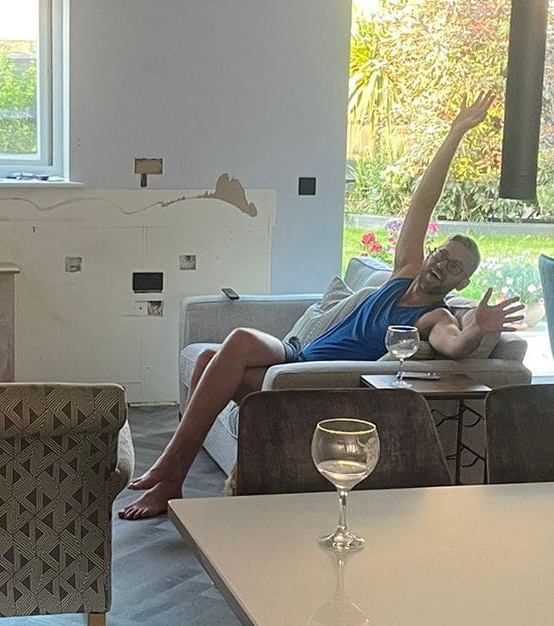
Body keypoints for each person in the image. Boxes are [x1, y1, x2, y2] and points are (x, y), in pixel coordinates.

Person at [119, 93, 522, 518]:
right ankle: (172, 479)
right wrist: (455, 133)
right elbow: (422, 202)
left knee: (225, 348)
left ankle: (168, 473)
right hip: (297, 354)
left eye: (455, 268)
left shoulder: (434, 316)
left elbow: (455, 346)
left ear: (464, 281)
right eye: (443, 254)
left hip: (313, 380)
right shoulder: (405, 270)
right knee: (207, 356)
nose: (442, 264)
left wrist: (480, 326)